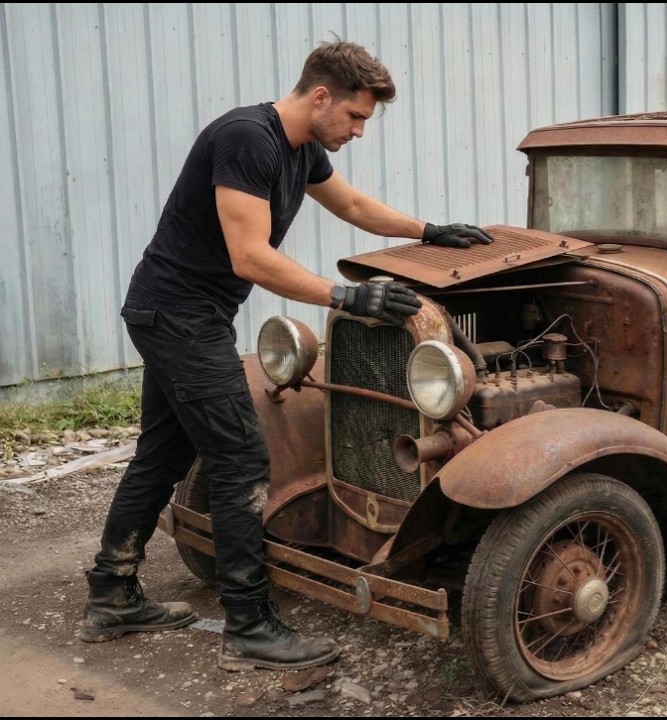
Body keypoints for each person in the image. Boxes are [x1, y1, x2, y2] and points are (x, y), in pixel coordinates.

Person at [77, 39, 493, 671]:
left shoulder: (302, 149)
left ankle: (111, 595)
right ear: (320, 96)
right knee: (242, 460)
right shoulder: (248, 139)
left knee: (162, 454)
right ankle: (249, 626)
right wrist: (347, 296)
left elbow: (353, 206)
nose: (359, 131)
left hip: (177, 314)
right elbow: (250, 257)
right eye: (355, 116)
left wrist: (429, 230)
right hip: (179, 317)